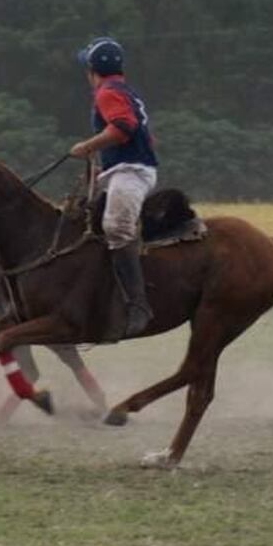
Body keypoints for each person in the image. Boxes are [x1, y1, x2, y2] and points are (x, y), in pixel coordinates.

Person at [69, 37, 158, 336]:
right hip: (123, 170)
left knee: (115, 228)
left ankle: (138, 305)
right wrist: (98, 168)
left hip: (130, 171)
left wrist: (87, 146)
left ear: (93, 70)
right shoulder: (124, 90)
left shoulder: (107, 92)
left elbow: (123, 128)